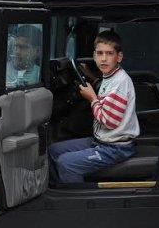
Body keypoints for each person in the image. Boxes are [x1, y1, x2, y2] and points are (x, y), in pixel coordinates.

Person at [48, 30, 140, 184]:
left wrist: (92, 98)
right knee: (53, 150)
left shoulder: (120, 82)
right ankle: (60, 188)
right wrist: (91, 77)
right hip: (102, 141)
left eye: (109, 54)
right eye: (99, 53)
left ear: (119, 57)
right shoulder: (110, 76)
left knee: (67, 163)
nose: (103, 59)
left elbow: (109, 121)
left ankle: (76, 204)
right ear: (94, 55)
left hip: (115, 148)